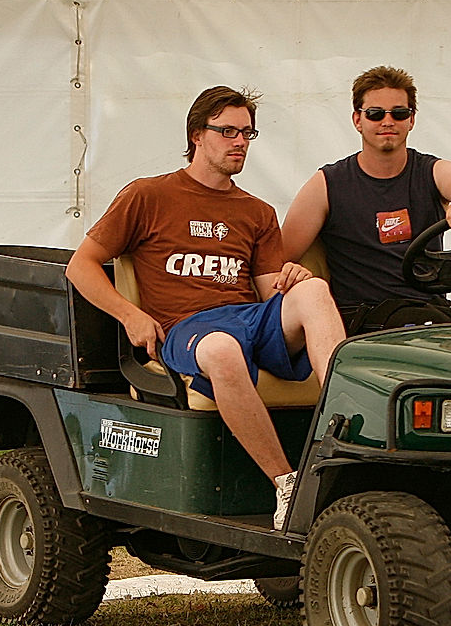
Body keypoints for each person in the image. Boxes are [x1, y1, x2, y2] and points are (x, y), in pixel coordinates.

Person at [65, 86, 345, 529]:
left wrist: (294, 280)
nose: (240, 142)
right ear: (198, 134)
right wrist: (130, 314)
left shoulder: (257, 210)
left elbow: (269, 288)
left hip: (248, 317)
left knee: (313, 292)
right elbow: (80, 267)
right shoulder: (148, 195)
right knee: (220, 349)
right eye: (228, 131)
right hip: (187, 327)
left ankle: (348, 433)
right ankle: (287, 484)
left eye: (247, 133)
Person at [281, 65, 451, 332]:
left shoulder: (430, 171)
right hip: (368, 318)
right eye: (376, 114)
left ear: (412, 119)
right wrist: (297, 276)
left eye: (399, 113)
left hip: (433, 308)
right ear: (358, 120)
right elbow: (277, 258)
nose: (387, 122)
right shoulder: (327, 183)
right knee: (428, 326)